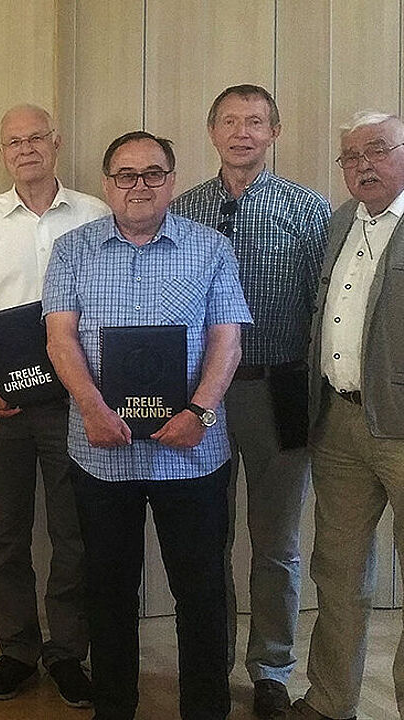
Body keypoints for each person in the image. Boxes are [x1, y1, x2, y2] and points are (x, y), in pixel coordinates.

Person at [43, 130, 251, 720]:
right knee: (108, 592)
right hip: (101, 451)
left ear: (172, 180)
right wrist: (89, 407)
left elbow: (227, 337)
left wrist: (199, 412)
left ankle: (205, 709)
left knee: (202, 591)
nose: (140, 185)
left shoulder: (209, 247)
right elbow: (60, 339)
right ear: (108, 184)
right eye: (127, 175)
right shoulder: (72, 250)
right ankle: (115, 707)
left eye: (153, 173)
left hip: (190, 451)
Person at [0, 104, 107, 706]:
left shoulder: (96, 213)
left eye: (36, 138)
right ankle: (16, 651)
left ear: (56, 143)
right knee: (4, 536)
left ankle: (68, 654)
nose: (26, 149)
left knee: (74, 535)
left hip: (74, 405)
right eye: (14, 141)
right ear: (3, 153)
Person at [169, 84, 331, 719]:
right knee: (207, 538)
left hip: (280, 389)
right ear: (212, 132)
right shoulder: (182, 210)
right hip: (200, 396)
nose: (242, 132)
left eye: (255, 122)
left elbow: (325, 307)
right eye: (230, 122)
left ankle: (269, 668)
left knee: (278, 541)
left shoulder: (308, 211)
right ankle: (209, 662)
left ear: (275, 132)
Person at [290, 111, 404, 720]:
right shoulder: (338, 224)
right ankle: (331, 702)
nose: (364, 165)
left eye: (378, 150)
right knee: (337, 573)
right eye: (351, 157)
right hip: (338, 424)